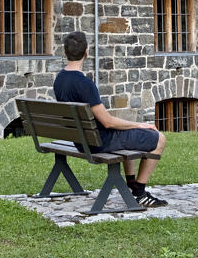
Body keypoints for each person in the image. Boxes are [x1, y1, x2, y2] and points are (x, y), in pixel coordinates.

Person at [53, 31, 167, 208]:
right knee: (159, 138)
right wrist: (139, 124)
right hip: (98, 142)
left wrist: (131, 126)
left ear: (65, 52)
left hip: (80, 140)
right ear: (86, 53)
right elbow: (108, 122)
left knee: (127, 130)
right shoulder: (85, 84)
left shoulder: (59, 79)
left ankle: (131, 183)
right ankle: (140, 192)